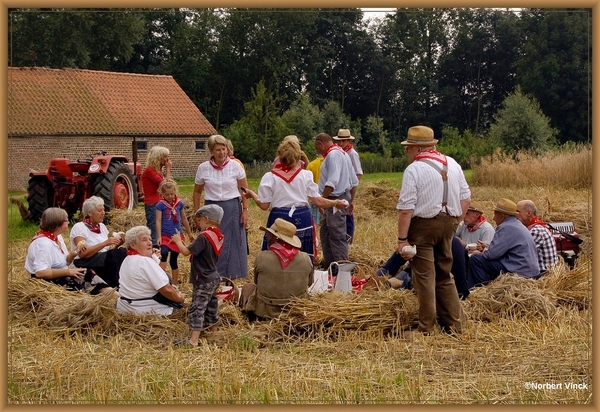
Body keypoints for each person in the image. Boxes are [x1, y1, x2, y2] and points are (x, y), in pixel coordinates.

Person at [395, 125, 470, 335]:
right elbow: (466, 199)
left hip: (423, 227)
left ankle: (427, 328)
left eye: (408, 147)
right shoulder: (453, 164)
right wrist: (455, 222)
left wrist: (402, 240)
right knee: (445, 274)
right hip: (448, 224)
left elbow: (406, 209)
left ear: (418, 148)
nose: (406, 151)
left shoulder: (414, 169)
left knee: (424, 276)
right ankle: (455, 324)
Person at [243, 139, 348, 263]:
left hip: (279, 219)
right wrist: (335, 203)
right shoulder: (305, 175)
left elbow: (264, 205)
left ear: (280, 156)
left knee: (276, 254)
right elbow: (317, 201)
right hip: (302, 217)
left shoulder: (270, 177)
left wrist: (252, 194)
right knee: (302, 256)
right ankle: (304, 279)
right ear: (298, 157)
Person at [193, 134, 249, 280]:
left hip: (232, 207)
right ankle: (212, 275)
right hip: (211, 208)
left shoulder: (235, 166)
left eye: (223, 149)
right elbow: (197, 192)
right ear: (211, 151)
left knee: (232, 243)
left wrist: (245, 211)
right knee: (211, 241)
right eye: (218, 150)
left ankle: (232, 276)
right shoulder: (203, 168)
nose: (221, 153)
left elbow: (244, 191)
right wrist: (197, 214)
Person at [239, 218, 313, 321]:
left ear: (276, 238)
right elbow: (309, 283)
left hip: (264, 313)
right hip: (295, 312)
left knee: (248, 288)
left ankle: (248, 317)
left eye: (270, 234)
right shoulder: (306, 259)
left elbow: (257, 282)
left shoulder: (262, 257)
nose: (267, 237)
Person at [25, 207, 111, 295]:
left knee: (85, 273)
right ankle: (114, 296)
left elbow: (65, 263)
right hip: (46, 283)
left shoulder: (57, 237)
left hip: (58, 276)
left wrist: (73, 254)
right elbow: (40, 273)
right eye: (66, 220)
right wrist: (69, 272)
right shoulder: (44, 244)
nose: (69, 222)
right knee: (86, 274)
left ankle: (112, 295)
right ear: (58, 224)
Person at [172, 205, 224, 346]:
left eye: (199, 221)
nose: (198, 224)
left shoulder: (204, 237)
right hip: (214, 277)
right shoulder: (218, 235)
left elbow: (186, 252)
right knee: (211, 307)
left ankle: (193, 340)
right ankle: (215, 334)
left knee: (197, 308)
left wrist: (178, 241)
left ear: (206, 219)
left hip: (203, 278)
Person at [467, 198, 540, 289]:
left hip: (519, 271)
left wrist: (481, 252)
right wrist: (488, 248)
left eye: (495, 215)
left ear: (502, 216)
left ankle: (478, 290)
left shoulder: (505, 227)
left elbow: (491, 255)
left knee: (476, 259)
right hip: (529, 270)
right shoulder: (517, 225)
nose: (493, 218)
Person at [313, 132, 359, 269]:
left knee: (336, 234)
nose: (318, 151)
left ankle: (342, 270)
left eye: (317, 148)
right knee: (326, 233)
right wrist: (351, 200)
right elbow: (354, 181)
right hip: (342, 196)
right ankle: (330, 267)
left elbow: (332, 183)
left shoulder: (333, 156)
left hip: (335, 199)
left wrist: (322, 200)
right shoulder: (344, 154)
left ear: (321, 144)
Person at [116, 226, 185, 315]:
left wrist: (153, 258)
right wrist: (180, 299)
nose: (149, 243)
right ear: (133, 245)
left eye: (150, 239)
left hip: (125, 308)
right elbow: (166, 290)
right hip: (145, 310)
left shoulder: (127, 259)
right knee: (189, 311)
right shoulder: (144, 261)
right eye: (144, 240)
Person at [380, 236, 470, 299]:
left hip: (445, 293)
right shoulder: (452, 239)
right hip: (457, 290)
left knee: (409, 254)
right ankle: (385, 278)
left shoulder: (430, 241)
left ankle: (384, 277)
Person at [70, 196, 127, 288]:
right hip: (85, 261)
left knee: (122, 251)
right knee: (118, 254)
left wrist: (117, 245)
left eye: (103, 210)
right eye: (99, 211)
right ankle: (115, 287)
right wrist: (105, 243)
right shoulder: (79, 227)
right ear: (89, 213)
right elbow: (82, 253)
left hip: (101, 260)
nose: (103, 213)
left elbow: (107, 252)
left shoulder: (102, 227)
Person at [156, 179, 194, 285]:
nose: (170, 196)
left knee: (173, 260)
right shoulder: (160, 205)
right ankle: (160, 281)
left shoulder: (179, 203)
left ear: (175, 192)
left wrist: (189, 233)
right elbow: (158, 221)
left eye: (172, 194)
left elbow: (184, 219)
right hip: (165, 235)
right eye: (167, 194)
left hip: (176, 235)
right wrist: (159, 236)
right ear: (162, 194)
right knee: (163, 253)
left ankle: (175, 284)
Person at [334, 129, 363, 243]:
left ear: (348, 141)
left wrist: (349, 184)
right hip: (341, 188)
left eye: (343, 141)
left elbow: (358, 173)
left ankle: (348, 238)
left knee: (348, 214)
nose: (341, 143)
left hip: (348, 189)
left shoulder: (352, 154)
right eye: (339, 141)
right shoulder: (341, 153)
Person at [516, 199, 558, 274]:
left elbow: (519, 254)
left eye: (518, 212)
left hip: (543, 275)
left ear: (529, 213)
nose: (515, 215)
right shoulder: (534, 227)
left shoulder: (536, 231)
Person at [141, 145, 172, 248]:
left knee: (161, 230)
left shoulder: (157, 172)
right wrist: (168, 170)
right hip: (152, 205)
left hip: (159, 203)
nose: (167, 159)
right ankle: (154, 250)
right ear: (158, 157)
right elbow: (165, 186)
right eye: (165, 157)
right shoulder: (149, 171)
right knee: (154, 231)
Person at [305, 153, 324, 225]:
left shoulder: (311, 165)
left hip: (313, 197)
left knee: (314, 224)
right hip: (326, 198)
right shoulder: (329, 162)